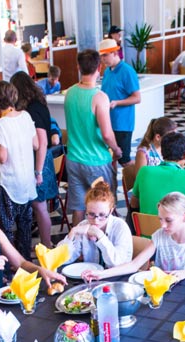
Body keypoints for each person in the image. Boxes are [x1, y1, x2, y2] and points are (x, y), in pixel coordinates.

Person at [85, 191, 185, 283]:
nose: (163, 225)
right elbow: (133, 265)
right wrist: (100, 274)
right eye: (160, 219)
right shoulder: (159, 236)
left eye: (168, 220)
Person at [0, 80, 38, 259]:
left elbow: (2, 158)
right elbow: (35, 144)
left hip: (9, 183)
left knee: (7, 229)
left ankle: (10, 265)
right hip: (27, 181)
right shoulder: (26, 116)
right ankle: (25, 261)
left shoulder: (1, 124)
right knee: (25, 226)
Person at [64, 49, 122, 226]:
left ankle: (77, 245)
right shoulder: (99, 97)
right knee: (103, 207)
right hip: (96, 161)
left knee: (78, 207)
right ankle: (104, 245)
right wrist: (117, 150)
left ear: (78, 67)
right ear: (99, 67)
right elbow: (106, 134)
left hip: (73, 159)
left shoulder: (70, 93)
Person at [11, 71, 57, 248]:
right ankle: (45, 243)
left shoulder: (32, 109)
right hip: (43, 160)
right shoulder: (39, 104)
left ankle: (46, 245)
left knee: (40, 206)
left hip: (39, 161)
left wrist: (38, 172)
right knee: (39, 206)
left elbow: (42, 143)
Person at [58, 180, 133, 269]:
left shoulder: (120, 227)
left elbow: (117, 263)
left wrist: (100, 236)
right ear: (86, 210)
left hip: (117, 278)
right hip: (92, 278)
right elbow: (62, 260)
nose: (96, 220)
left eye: (102, 215)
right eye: (91, 214)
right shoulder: (83, 225)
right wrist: (72, 233)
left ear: (111, 211)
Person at [133, 132, 185, 215]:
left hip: (144, 226)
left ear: (162, 153)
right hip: (174, 227)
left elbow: (134, 204)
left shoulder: (144, 171)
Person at [99, 38, 140, 165]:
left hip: (122, 123)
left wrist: (117, 103)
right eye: (101, 56)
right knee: (110, 159)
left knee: (124, 160)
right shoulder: (107, 72)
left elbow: (137, 98)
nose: (103, 59)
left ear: (115, 53)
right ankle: (112, 185)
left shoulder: (127, 71)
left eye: (105, 55)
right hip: (108, 121)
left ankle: (141, 177)